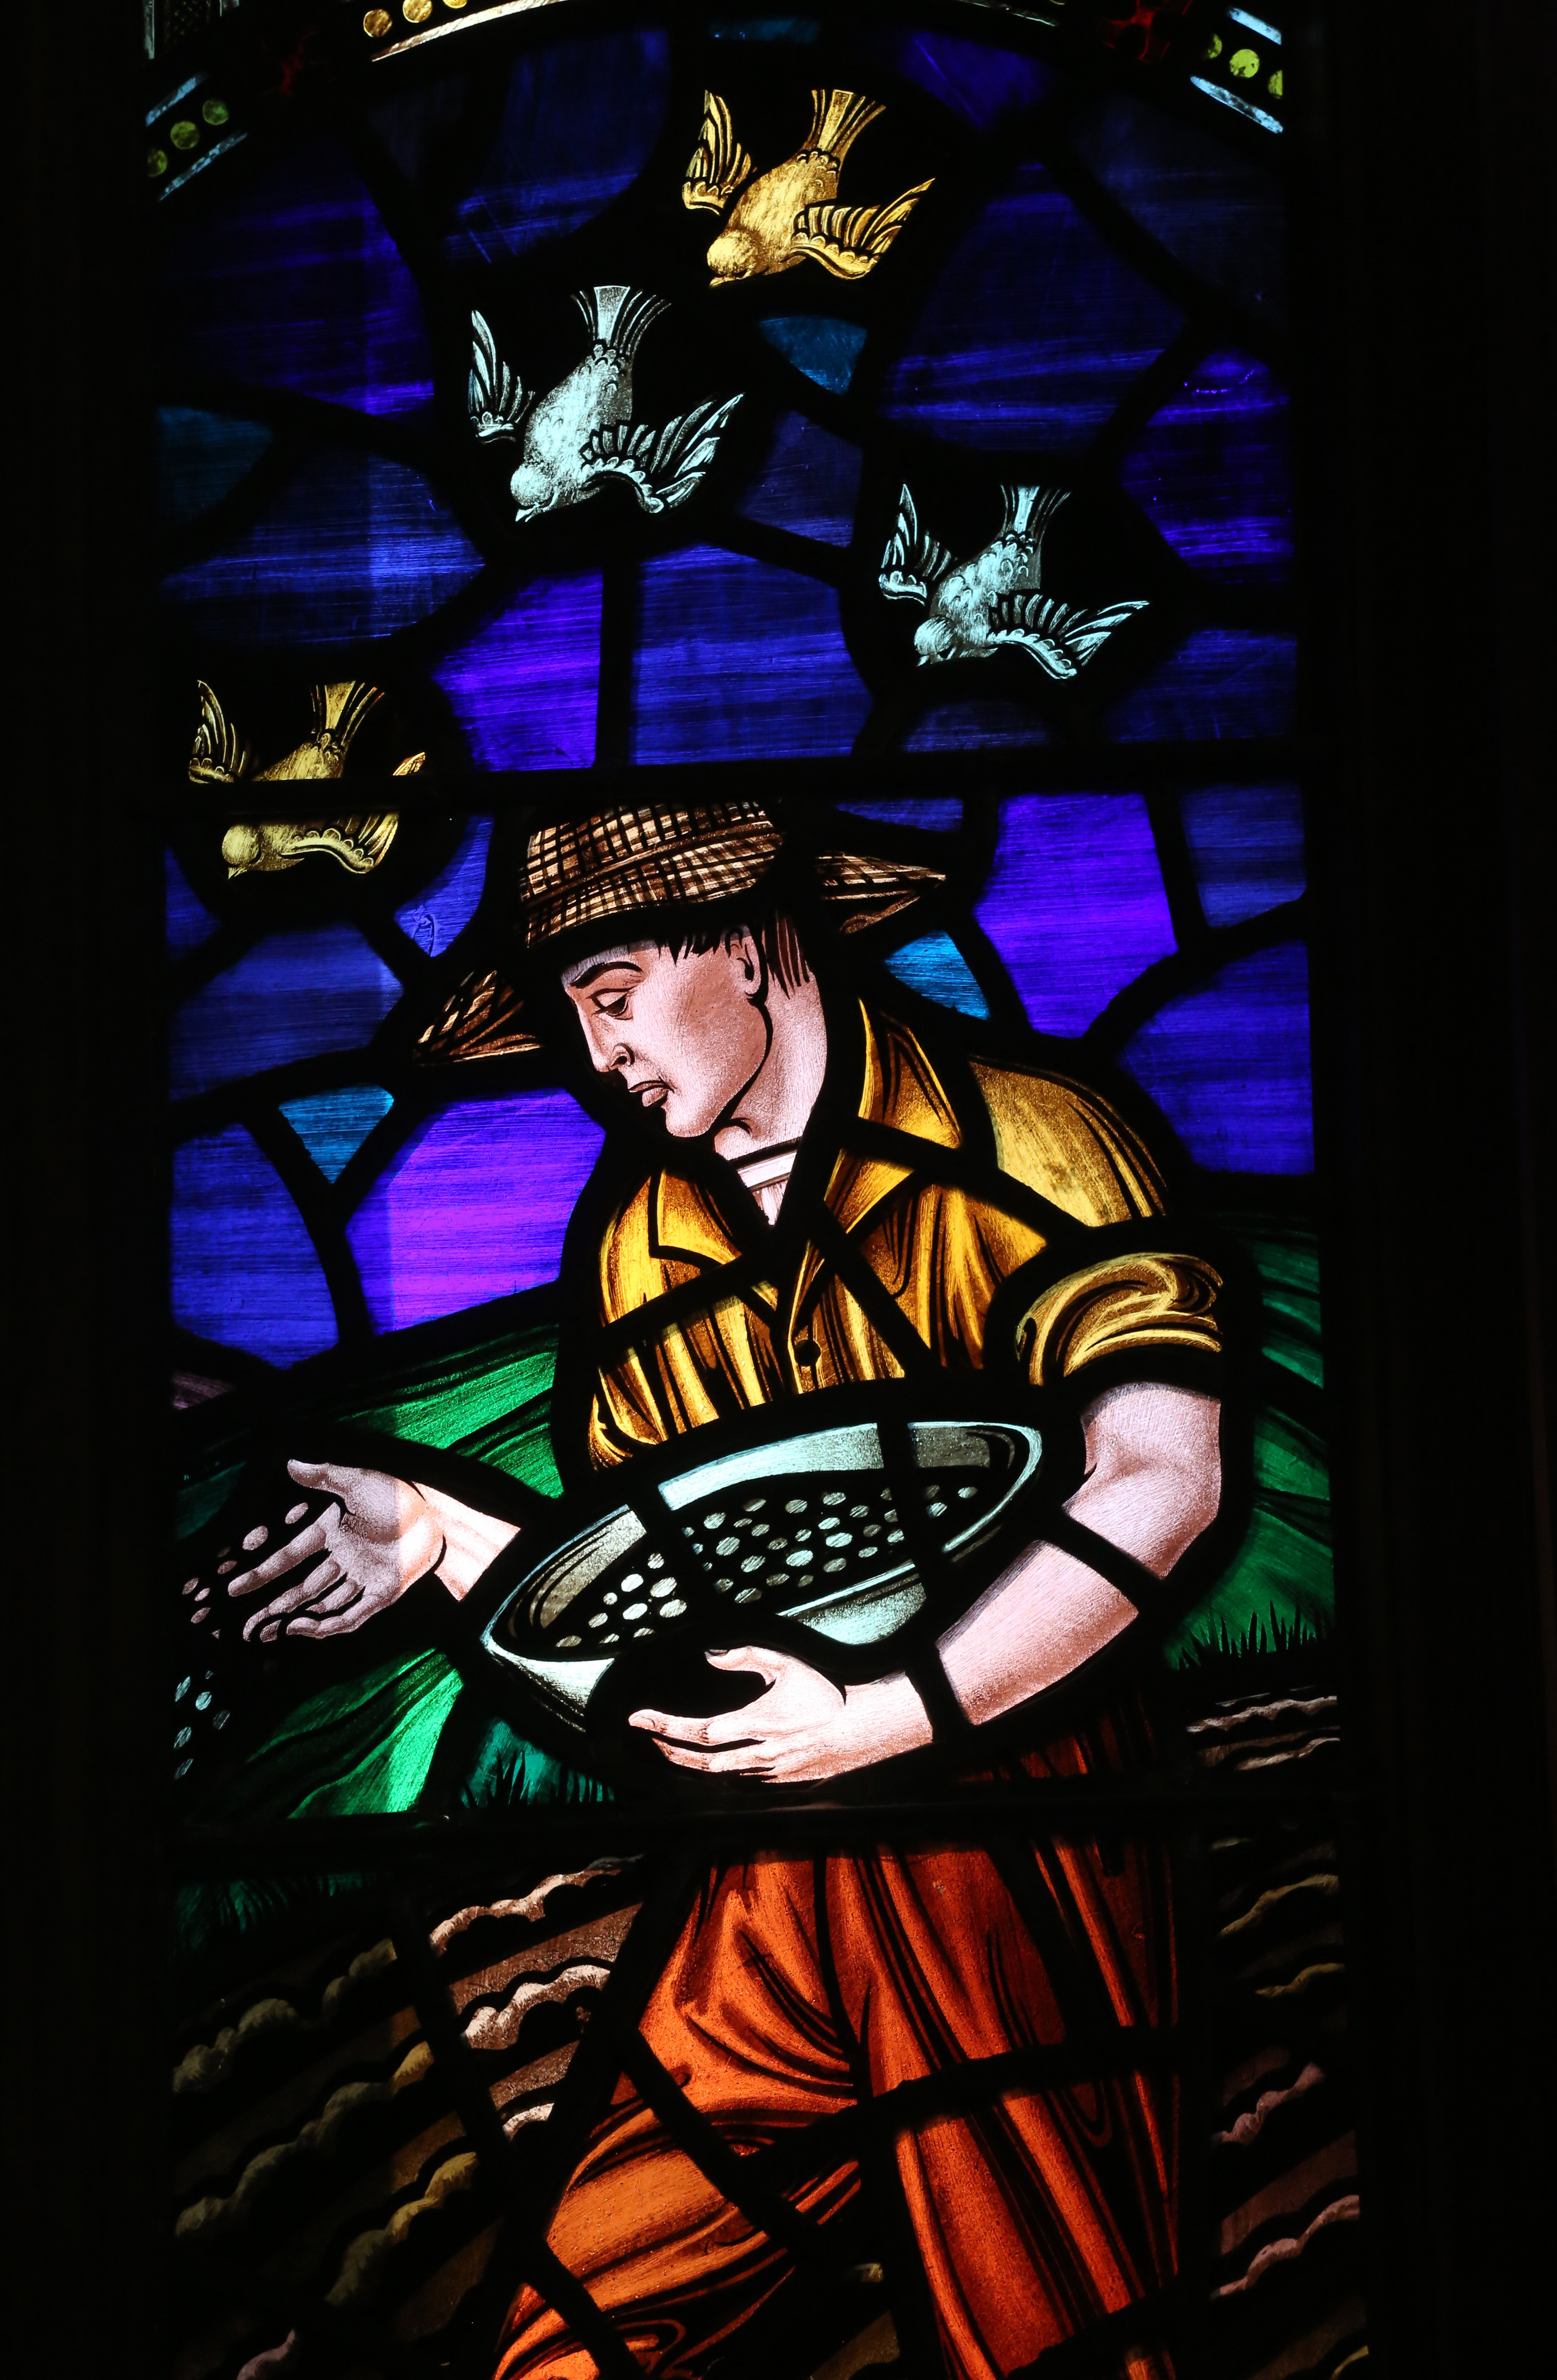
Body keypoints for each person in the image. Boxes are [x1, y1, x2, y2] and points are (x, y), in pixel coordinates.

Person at [224, 800, 1229, 2380]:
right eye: (567, 1009)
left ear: (756, 944)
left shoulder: (1030, 1134)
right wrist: (444, 1542)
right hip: (771, 1837)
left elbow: (1164, 1477)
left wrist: (897, 1717)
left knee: (1042, 2295)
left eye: (611, 989)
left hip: (1014, 1794)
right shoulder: (640, 1234)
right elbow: (678, 1588)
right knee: (582, 2328)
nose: (590, 1047)